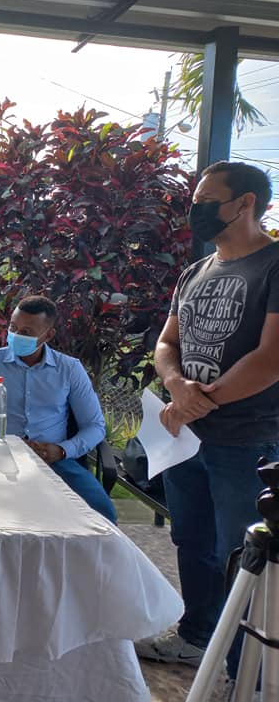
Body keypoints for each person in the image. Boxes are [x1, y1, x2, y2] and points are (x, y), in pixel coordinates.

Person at [135, 161, 279, 675]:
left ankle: (245, 672)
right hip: (183, 438)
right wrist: (177, 386)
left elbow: (270, 358)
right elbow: (166, 343)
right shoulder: (194, 272)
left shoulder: (273, 266)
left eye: (206, 201)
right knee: (192, 542)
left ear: (245, 203)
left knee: (242, 556)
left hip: (245, 441)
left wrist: (203, 400)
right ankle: (196, 637)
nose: (195, 210)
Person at [0, 295, 117, 524]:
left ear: (48, 335)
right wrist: (5, 444)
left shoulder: (69, 369)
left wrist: (62, 451)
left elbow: (95, 426)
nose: (16, 335)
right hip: (0, 457)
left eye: (26, 332)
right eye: (13, 328)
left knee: (103, 514)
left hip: (53, 460)